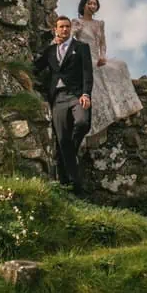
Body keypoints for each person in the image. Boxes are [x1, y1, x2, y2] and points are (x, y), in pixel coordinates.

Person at [33, 13, 94, 189]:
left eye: (67, 26)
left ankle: (70, 151)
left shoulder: (81, 47)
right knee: (61, 139)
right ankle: (70, 184)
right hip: (58, 98)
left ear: (71, 29)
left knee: (83, 123)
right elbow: (36, 67)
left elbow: (87, 73)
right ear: (56, 30)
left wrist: (86, 94)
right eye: (61, 26)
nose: (65, 29)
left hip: (76, 95)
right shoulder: (50, 51)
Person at [71, 0, 142, 139]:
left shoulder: (99, 24)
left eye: (95, 4)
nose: (92, 6)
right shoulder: (77, 22)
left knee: (120, 66)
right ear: (83, 5)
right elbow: (70, 37)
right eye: (90, 3)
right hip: (84, 57)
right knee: (96, 73)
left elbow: (102, 43)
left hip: (97, 58)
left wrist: (103, 56)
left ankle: (125, 107)